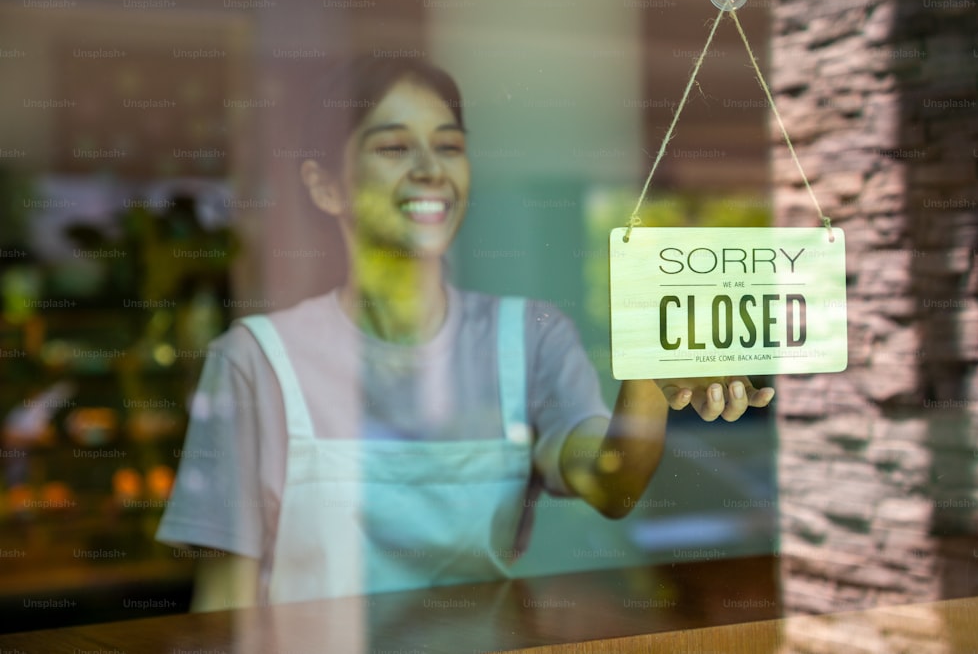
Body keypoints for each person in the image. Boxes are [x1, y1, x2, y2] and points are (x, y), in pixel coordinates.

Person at [155, 56, 774, 611]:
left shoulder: (529, 337)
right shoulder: (255, 360)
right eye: (394, 148)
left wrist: (650, 378)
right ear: (325, 185)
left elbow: (610, 482)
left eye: (449, 147)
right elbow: (225, 600)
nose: (431, 170)